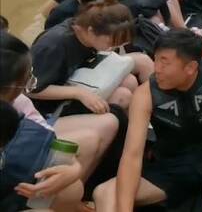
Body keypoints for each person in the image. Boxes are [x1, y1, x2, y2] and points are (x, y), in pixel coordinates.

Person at [93, 29, 202, 212]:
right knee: (104, 192)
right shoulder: (145, 95)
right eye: (156, 59)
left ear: (190, 67)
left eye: (165, 62)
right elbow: (132, 156)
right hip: (175, 168)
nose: (156, 68)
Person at [0, 31, 120, 211]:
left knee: (70, 182)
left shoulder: (16, 105)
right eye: (26, 82)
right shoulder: (56, 44)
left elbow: (44, 133)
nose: (28, 88)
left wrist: (74, 169)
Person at [29, 1, 153, 116]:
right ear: (91, 31)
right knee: (122, 96)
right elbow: (30, 90)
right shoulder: (53, 45)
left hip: (82, 80)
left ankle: (149, 115)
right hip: (51, 105)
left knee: (130, 79)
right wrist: (78, 93)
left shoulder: (86, 32)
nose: (115, 47)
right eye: (111, 42)